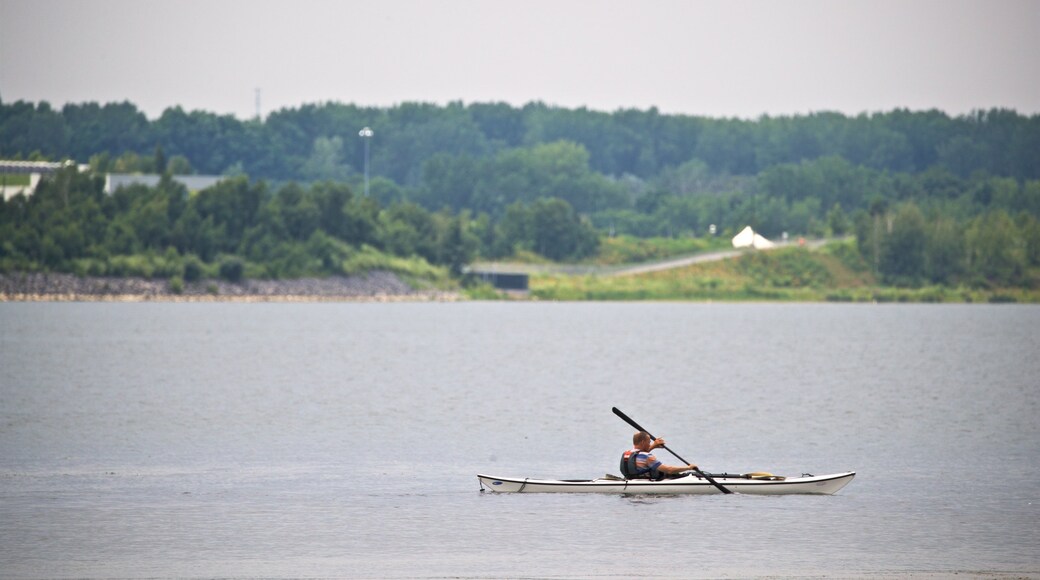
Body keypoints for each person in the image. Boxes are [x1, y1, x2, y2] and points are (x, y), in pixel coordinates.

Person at [620, 431, 699, 480]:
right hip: (644, 481)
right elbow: (669, 470)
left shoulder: (626, 454)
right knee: (669, 474)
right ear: (643, 442)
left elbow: (640, 454)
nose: (649, 444)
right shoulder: (647, 456)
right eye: (648, 442)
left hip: (629, 479)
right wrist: (688, 467)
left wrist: (654, 446)